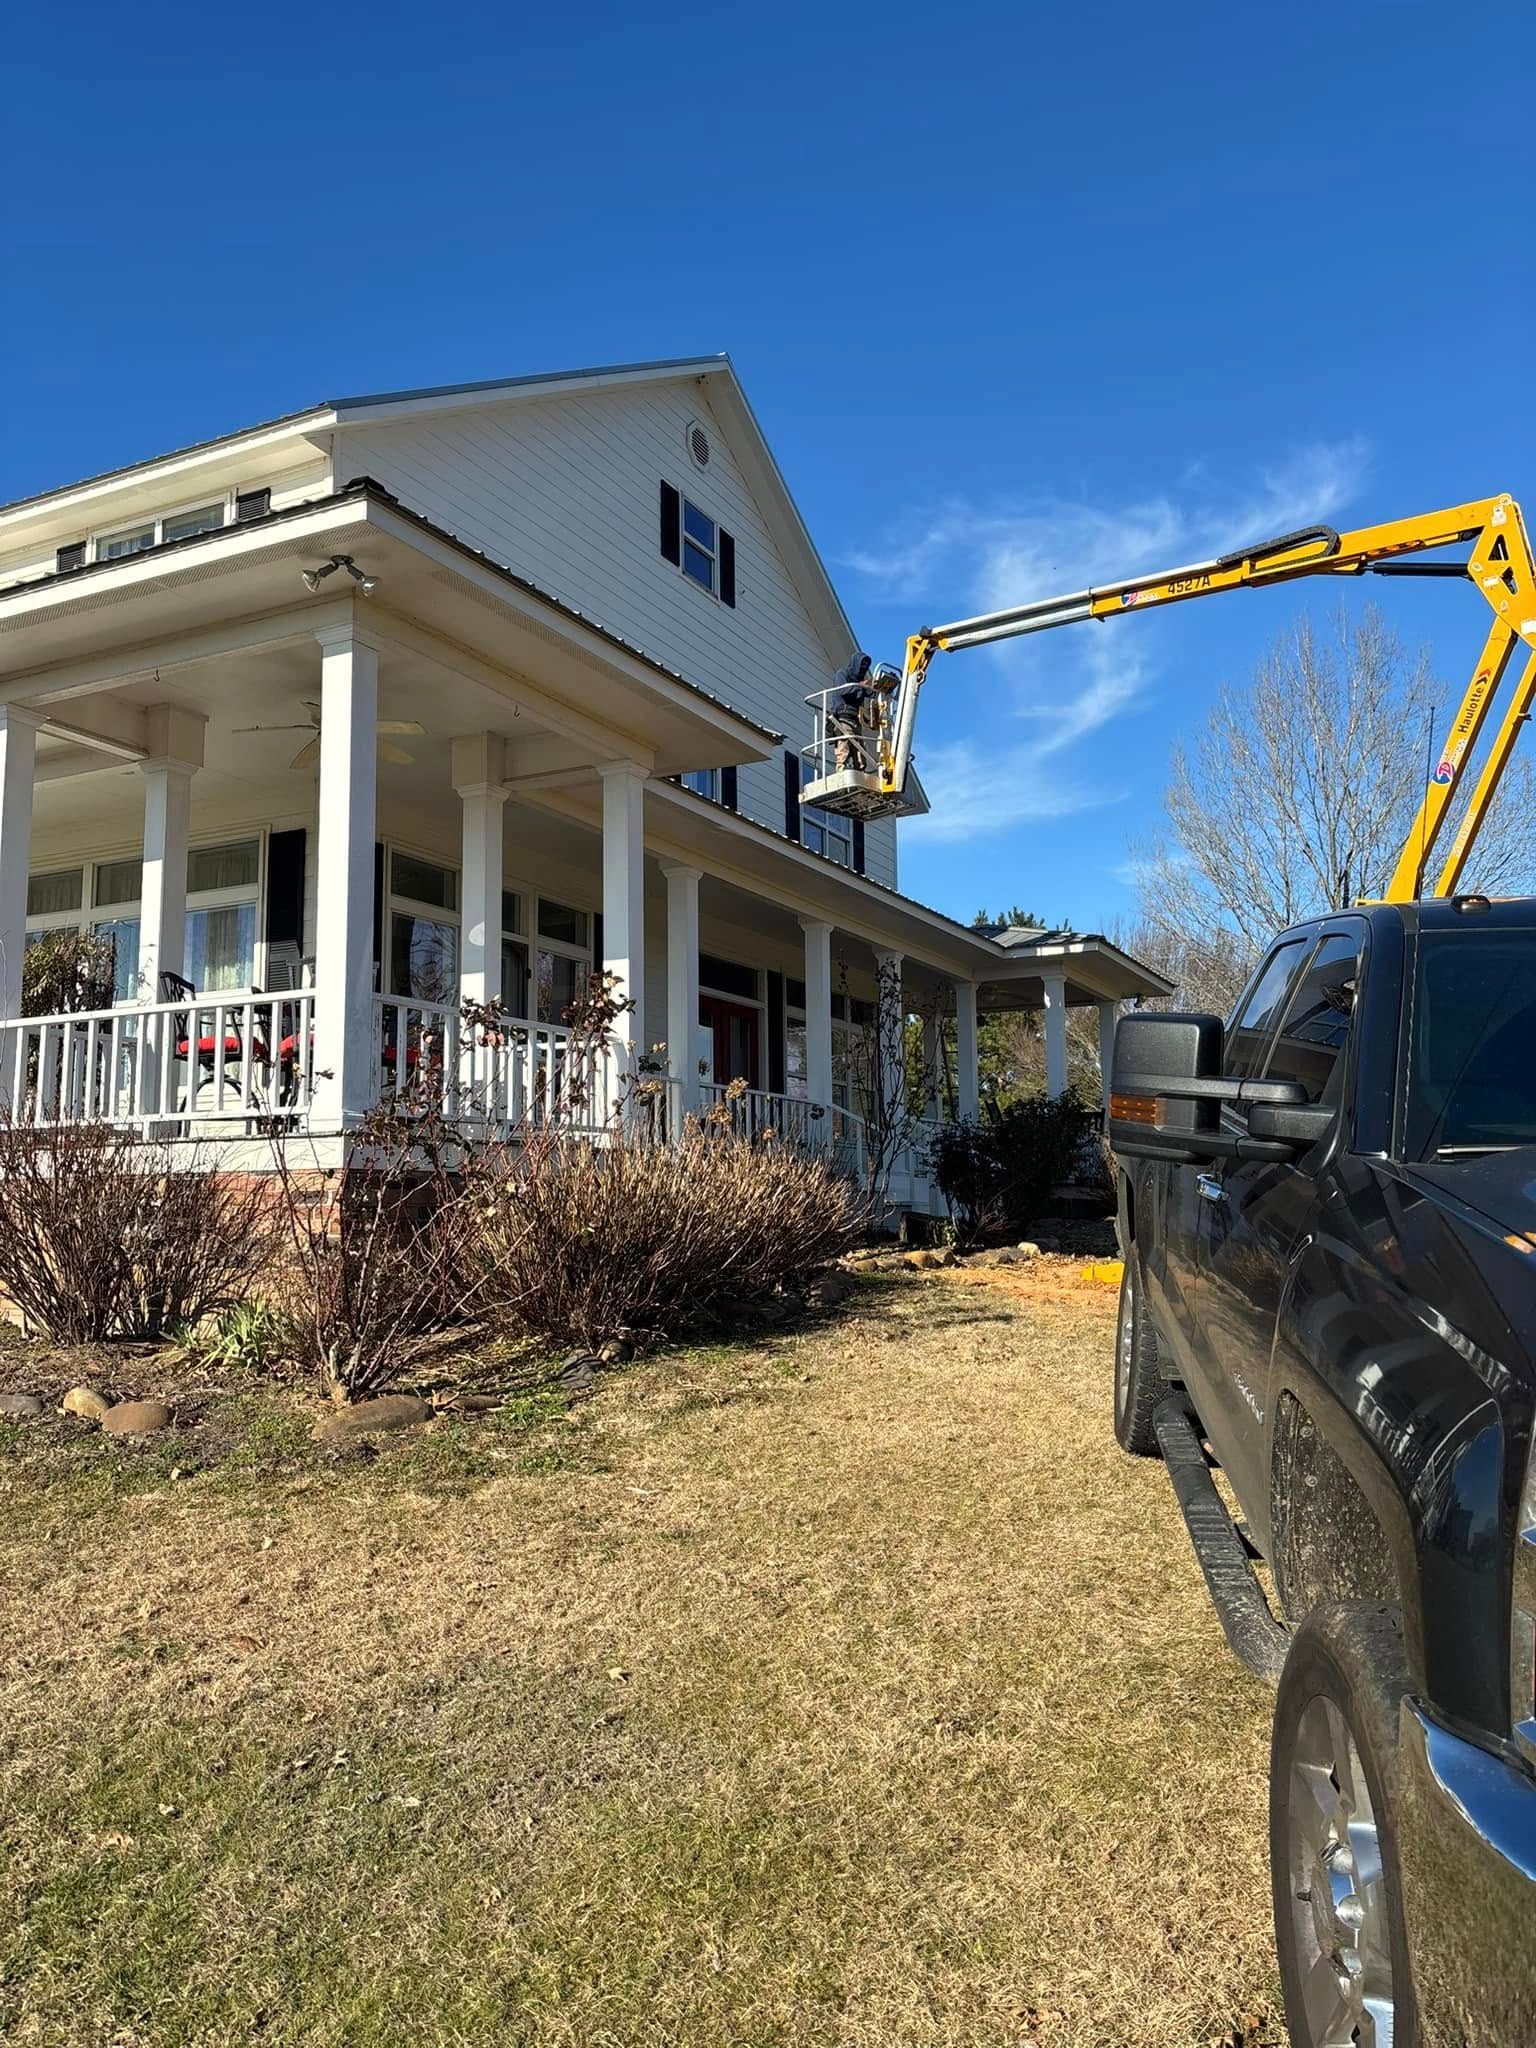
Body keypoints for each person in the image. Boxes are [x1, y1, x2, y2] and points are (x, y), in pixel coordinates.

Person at [827, 653, 893, 771]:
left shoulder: (859, 681)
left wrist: (883, 686)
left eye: (866, 665)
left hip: (855, 720)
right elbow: (843, 690)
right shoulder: (843, 674)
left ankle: (860, 772)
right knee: (844, 745)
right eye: (862, 664)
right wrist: (860, 686)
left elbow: (871, 692)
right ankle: (841, 770)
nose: (864, 667)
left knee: (860, 752)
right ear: (856, 663)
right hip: (842, 717)